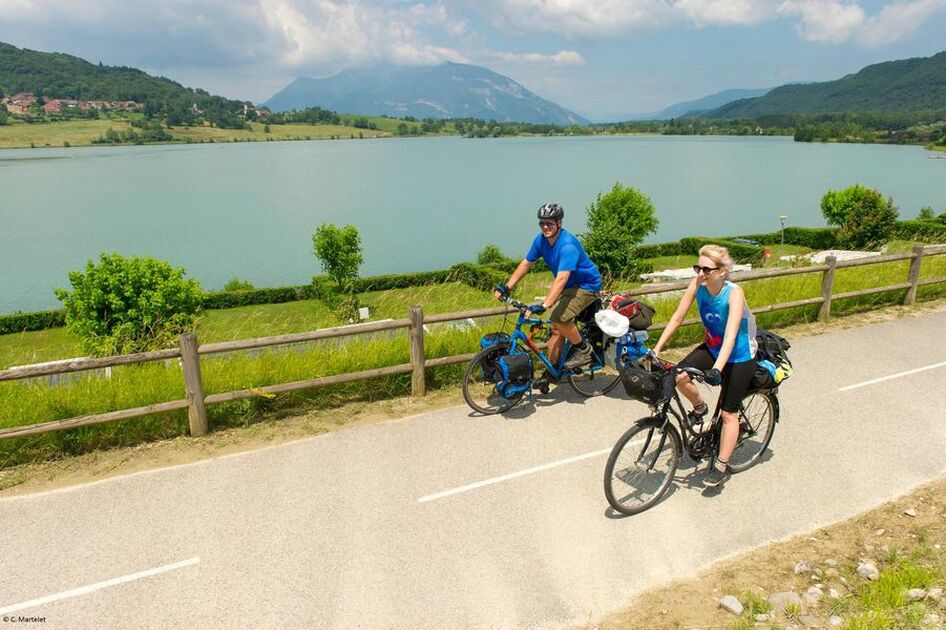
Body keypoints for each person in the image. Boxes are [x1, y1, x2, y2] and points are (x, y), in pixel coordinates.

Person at [651, 244, 757, 488]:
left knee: (730, 413)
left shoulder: (734, 293)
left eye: (706, 269)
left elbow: (731, 335)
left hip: (740, 355)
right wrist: (656, 349)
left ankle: (720, 467)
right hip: (712, 347)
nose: (700, 274)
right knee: (678, 376)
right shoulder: (697, 285)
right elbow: (677, 317)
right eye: (697, 268)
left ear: (721, 271)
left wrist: (717, 370)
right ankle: (700, 407)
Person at [494, 203, 602, 371]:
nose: (545, 227)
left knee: (560, 317)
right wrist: (508, 286)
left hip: (585, 285)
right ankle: (553, 370)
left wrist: (545, 304)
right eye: (542, 223)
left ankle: (584, 350)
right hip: (569, 285)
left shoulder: (568, 246)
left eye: (549, 223)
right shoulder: (541, 240)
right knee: (556, 327)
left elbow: (561, 279)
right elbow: (526, 264)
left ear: (559, 223)